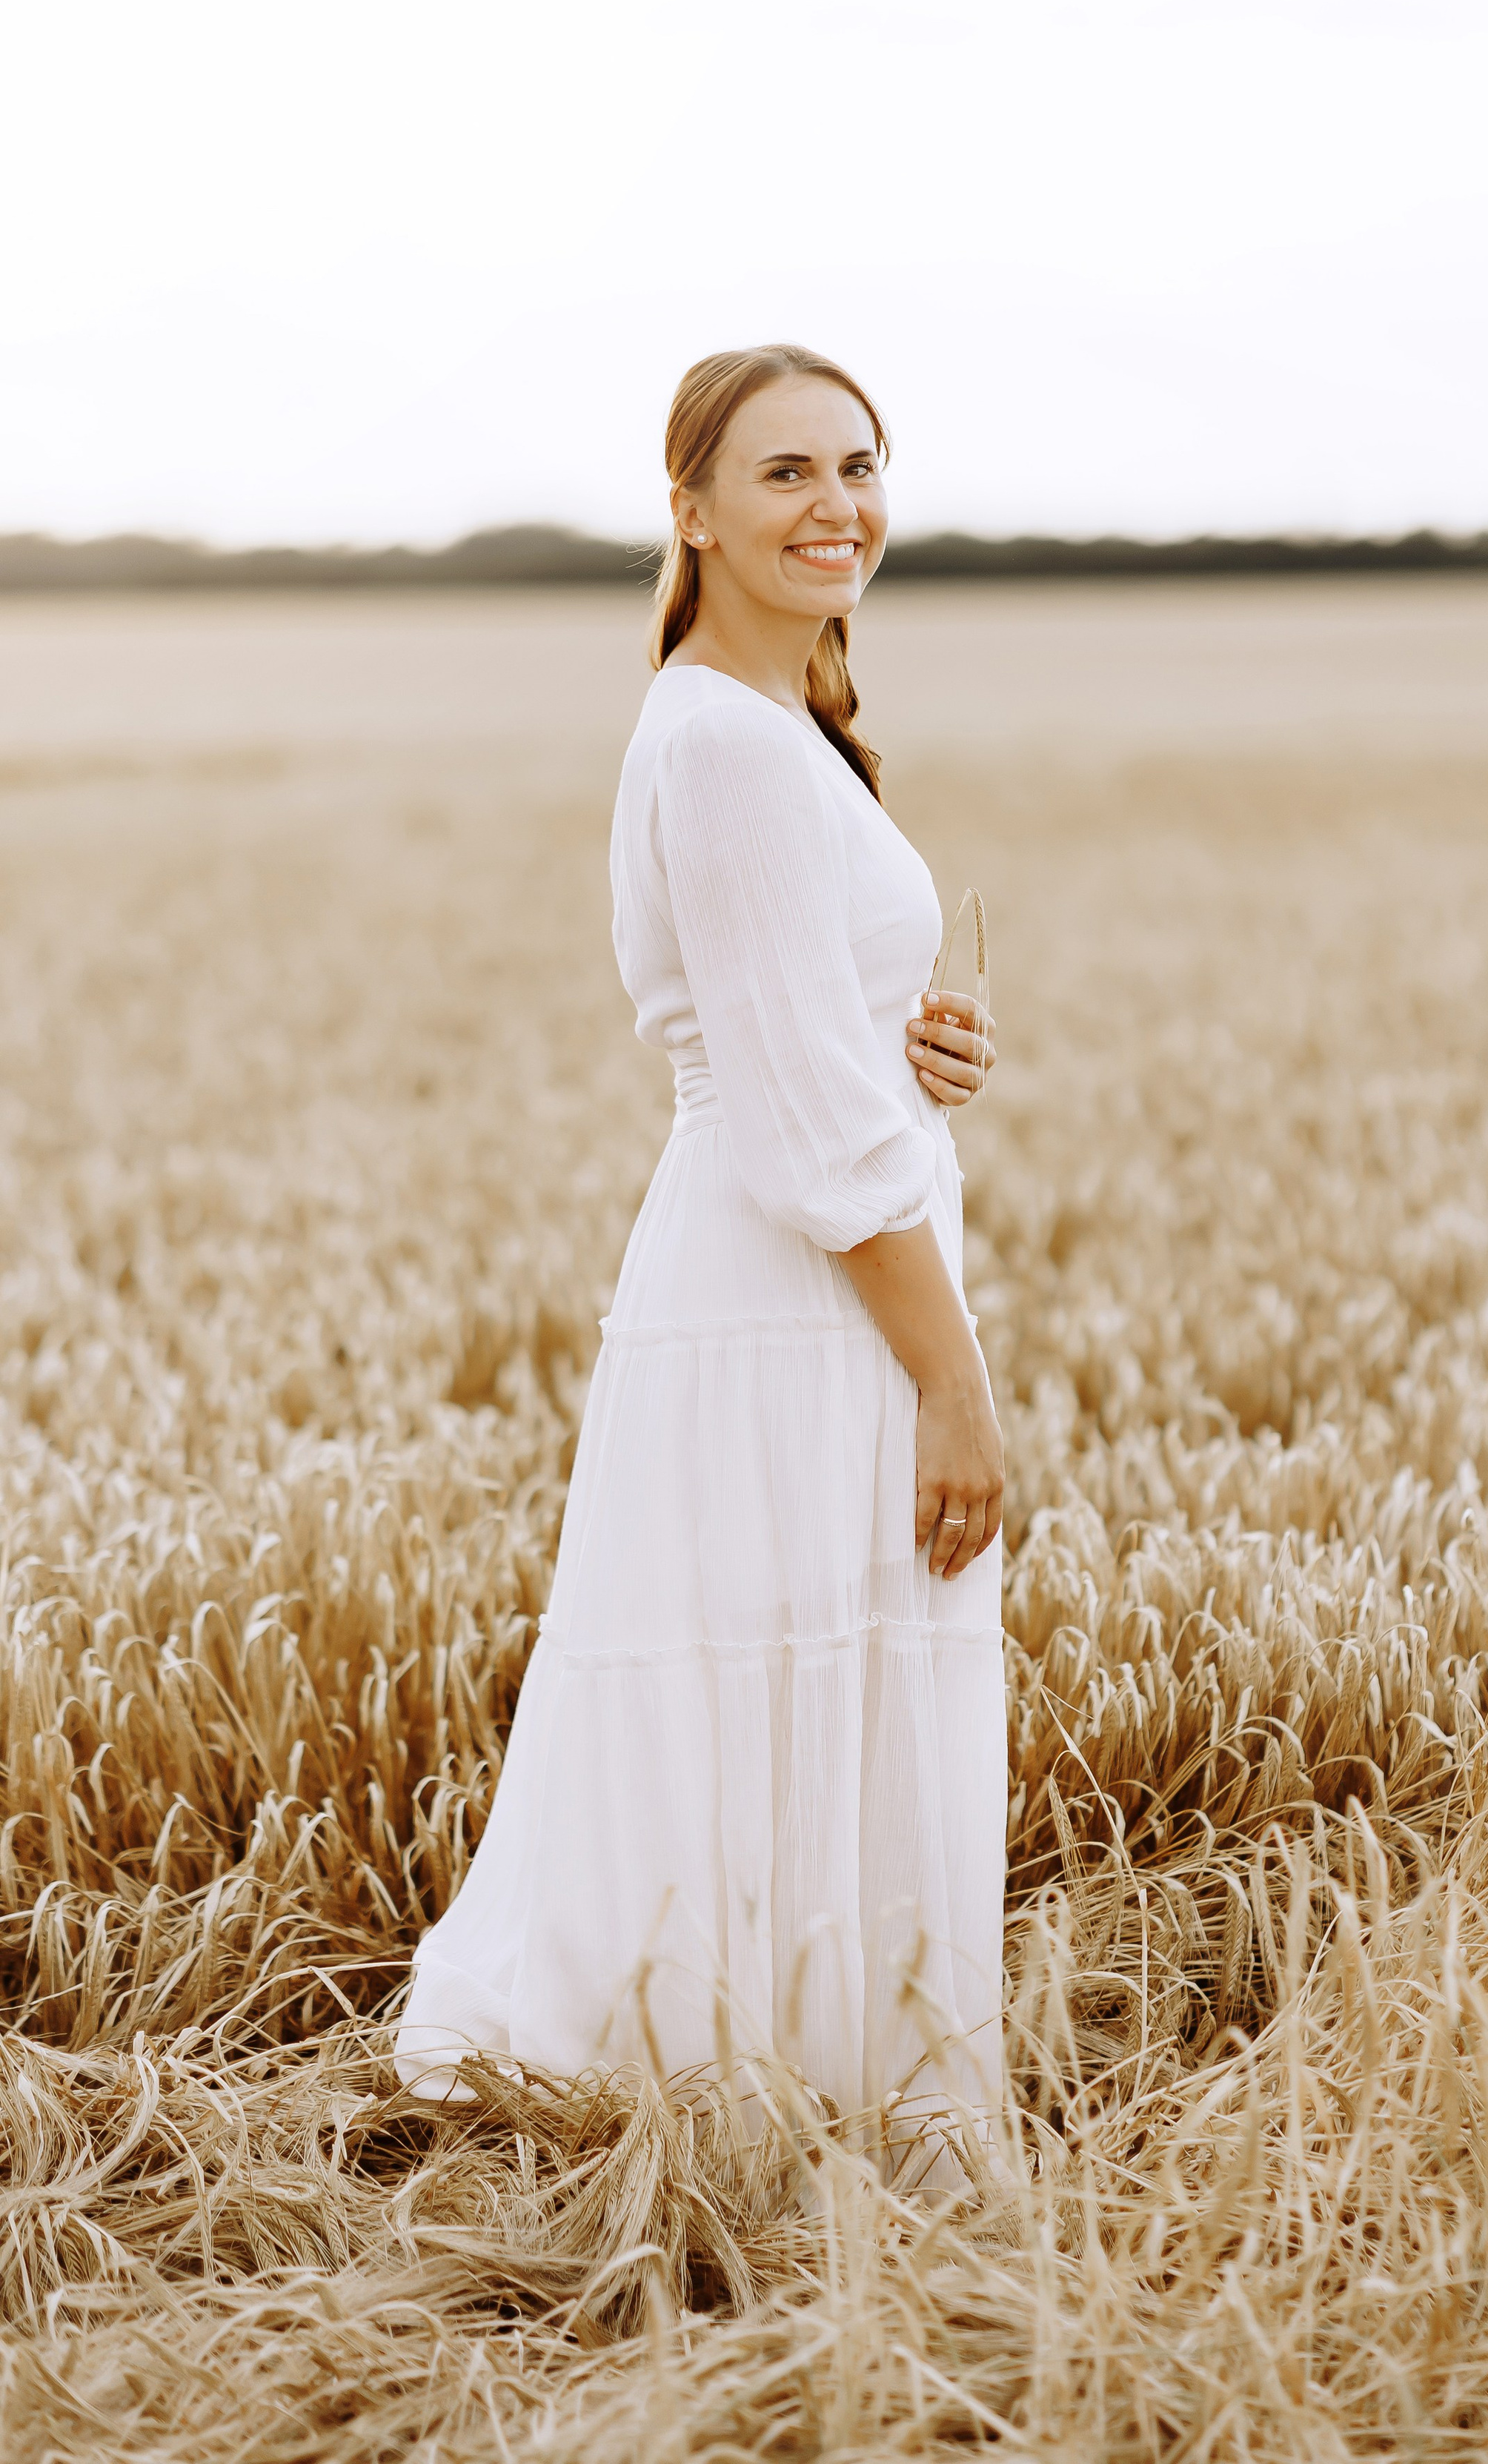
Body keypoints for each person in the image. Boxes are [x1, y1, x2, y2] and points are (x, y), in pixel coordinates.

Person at [393, 345, 1006, 2159]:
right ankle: (741, 2082)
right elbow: (803, 1130)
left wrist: (918, 1048)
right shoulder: (726, 741)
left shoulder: (757, 724)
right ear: (693, 512)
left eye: (860, 465)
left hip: (796, 1268)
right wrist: (949, 1369)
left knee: (793, 1649)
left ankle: (790, 2071)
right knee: (780, 1651)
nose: (838, 507)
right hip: (793, 1289)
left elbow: (801, 1046)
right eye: (784, 475)